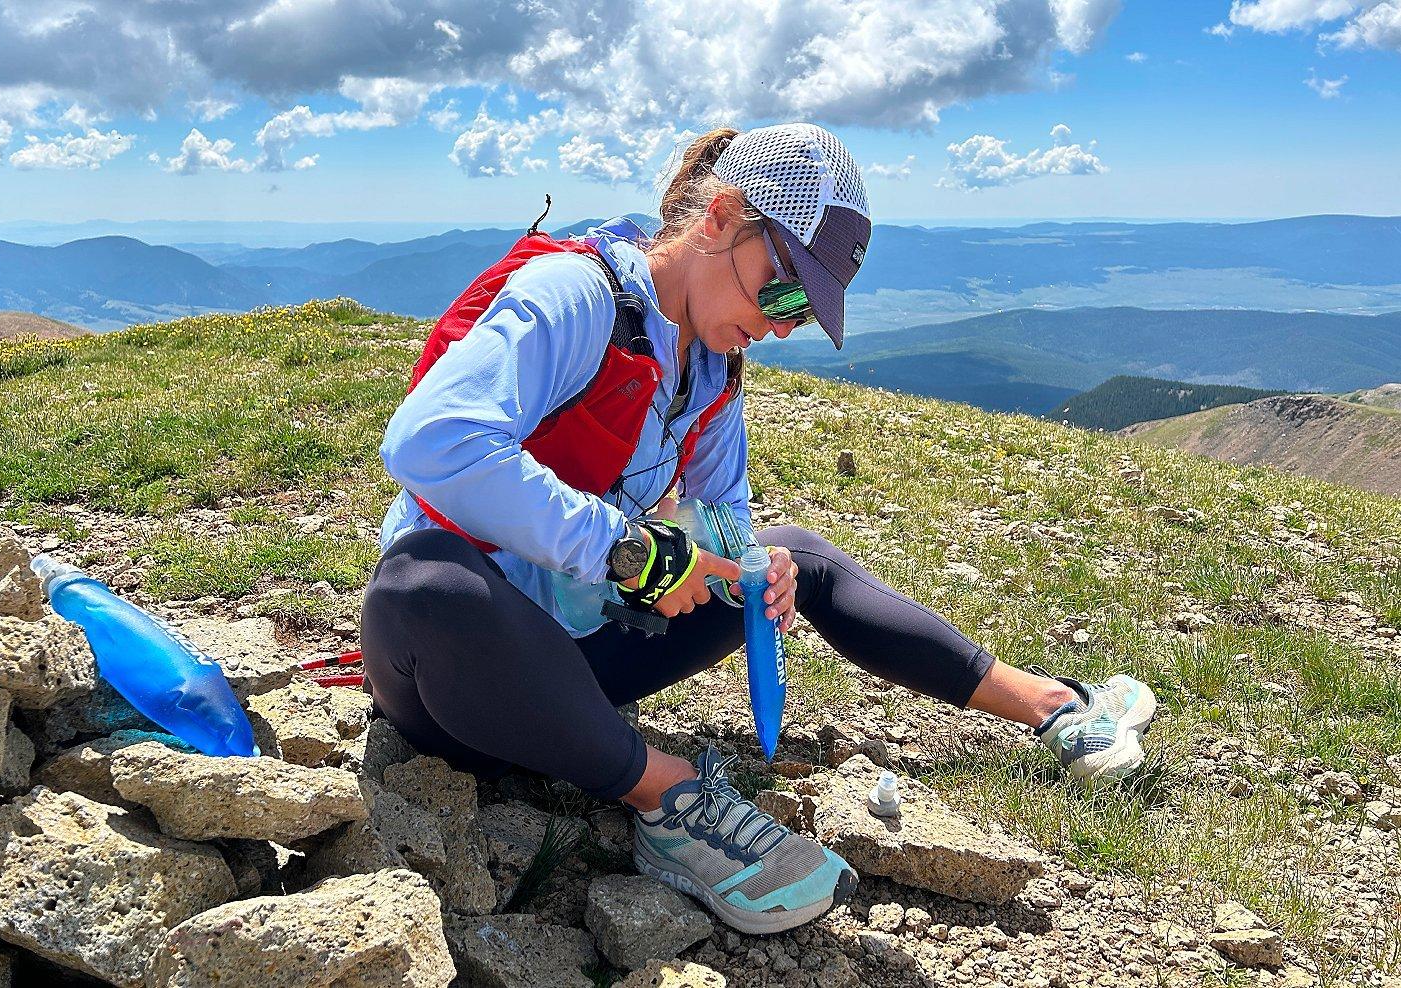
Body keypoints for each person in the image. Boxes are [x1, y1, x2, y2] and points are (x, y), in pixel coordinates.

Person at [362, 123, 1157, 935]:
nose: (781, 325)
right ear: (720, 219)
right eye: (780, 293)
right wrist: (628, 550)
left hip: (580, 664)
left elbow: (725, 513)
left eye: (802, 313)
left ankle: (1055, 706)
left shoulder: (708, 362)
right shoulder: (574, 297)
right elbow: (429, 441)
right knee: (425, 580)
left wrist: (749, 570)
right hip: (462, 689)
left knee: (795, 554)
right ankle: (667, 799)